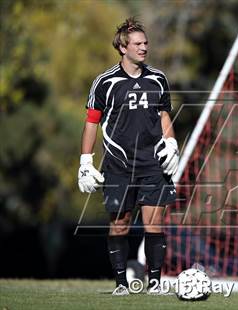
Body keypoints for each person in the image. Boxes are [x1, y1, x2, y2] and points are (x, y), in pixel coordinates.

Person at [77, 17, 178, 296]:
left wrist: (171, 144)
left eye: (146, 42)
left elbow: (163, 114)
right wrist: (86, 161)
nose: (144, 47)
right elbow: (91, 122)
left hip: (152, 164)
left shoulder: (158, 79)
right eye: (138, 43)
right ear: (123, 47)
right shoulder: (105, 82)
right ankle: (121, 284)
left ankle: (155, 282)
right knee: (119, 224)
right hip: (118, 166)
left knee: (154, 223)